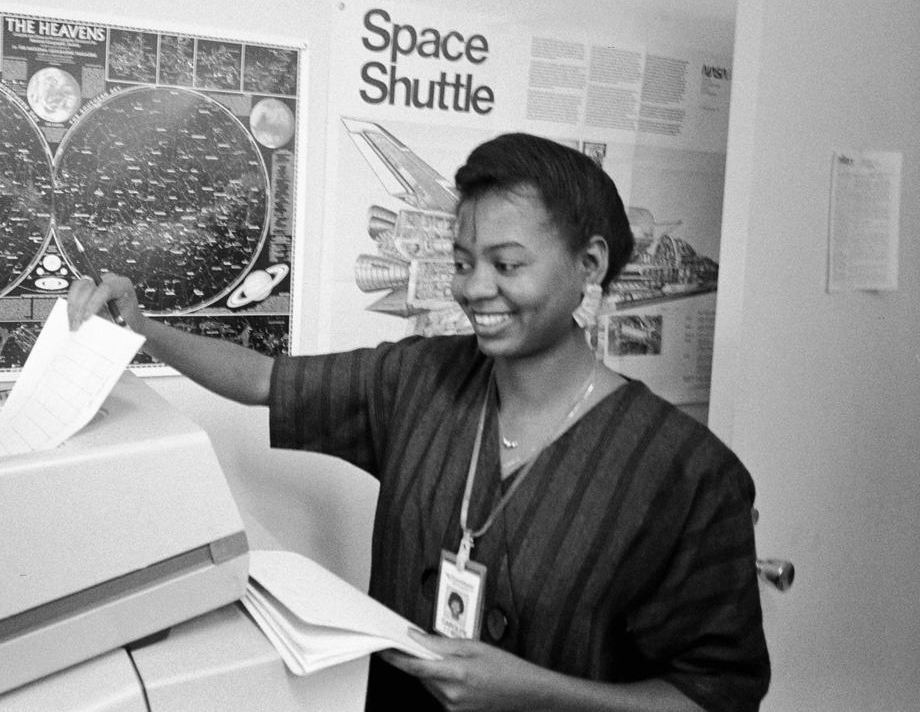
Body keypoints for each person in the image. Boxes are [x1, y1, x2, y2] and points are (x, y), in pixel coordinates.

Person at [66, 133, 769, 712]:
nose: (473, 288)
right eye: (464, 262)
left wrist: (538, 693)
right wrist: (142, 330)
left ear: (590, 263)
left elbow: (715, 698)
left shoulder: (684, 475)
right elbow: (261, 381)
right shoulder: (422, 380)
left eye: (507, 263)